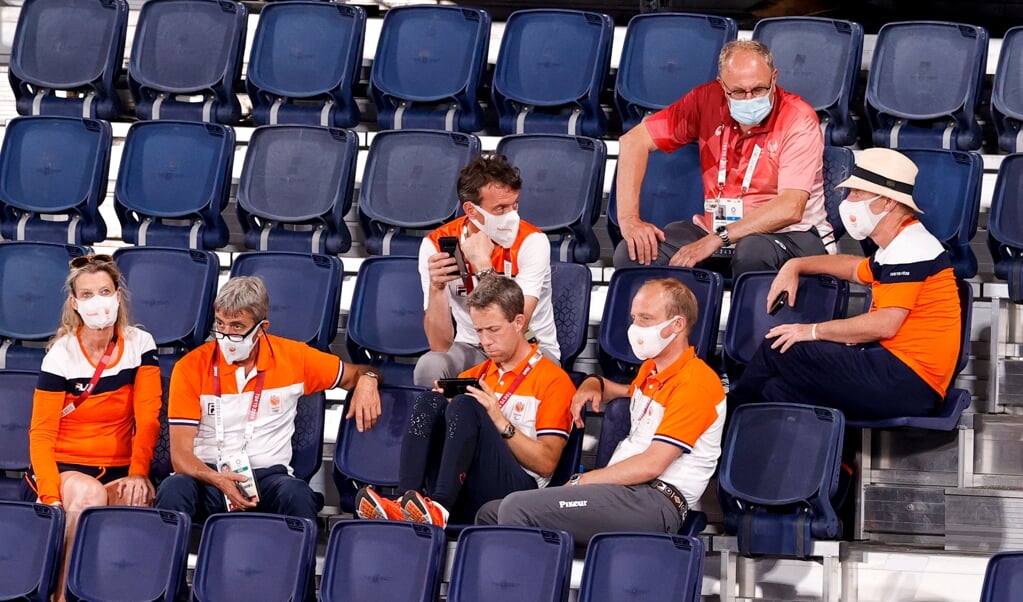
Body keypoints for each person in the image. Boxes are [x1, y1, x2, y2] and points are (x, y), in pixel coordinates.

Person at [476, 278, 726, 544]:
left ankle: (526, 583)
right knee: (489, 513)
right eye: (633, 318)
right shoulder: (653, 372)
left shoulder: (696, 383)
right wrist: (593, 383)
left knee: (517, 508)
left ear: (676, 325)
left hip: (654, 500)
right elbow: (626, 392)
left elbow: (653, 464)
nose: (635, 328)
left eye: (645, 319)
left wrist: (583, 481)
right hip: (623, 493)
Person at [727, 148, 961, 420]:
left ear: (886, 202)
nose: (848, 201)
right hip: (894, 373)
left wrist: (812, 331)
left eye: (857, 194)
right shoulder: (895, 246)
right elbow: (853, 268)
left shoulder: (912, 246)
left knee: (779, 345)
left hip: (908, 380)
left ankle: (716, 427)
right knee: (775, 390)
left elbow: (884, 324)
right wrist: (796, 265)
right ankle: (836, 462)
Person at [156, 276, 383, 524]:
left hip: (268, 479)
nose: (226, 336)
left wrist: (369, 379)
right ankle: (169, 562)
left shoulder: (295, 357)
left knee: (298, 494)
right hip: (208, 477)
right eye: (220, 325)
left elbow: (359, 372)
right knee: (173, 488)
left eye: (237, 326)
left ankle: (300, 564)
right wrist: (218, 479)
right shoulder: (190, 366)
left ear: (262, 328)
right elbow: (180, 456)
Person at [356, 276, 574, 527]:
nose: (485, 341)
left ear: (518, 323)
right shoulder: (473, 375)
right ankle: (407, 499)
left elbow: (546, 465)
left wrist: (498, 420)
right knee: (429, 401)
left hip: (518, 493)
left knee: (466, 405)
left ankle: (439, 505)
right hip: (466, 484)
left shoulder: (553, 380)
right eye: (479, 331)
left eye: (493, 329)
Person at [613, 39, 830, 277]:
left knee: (752, 251)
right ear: (722, 85)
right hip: (715, 232)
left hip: (789, 234)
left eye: (759, 89)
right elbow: (634, 141)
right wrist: (629, 220)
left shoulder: (798, 119)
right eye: (738, 91)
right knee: (634, 252)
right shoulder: (705, 100)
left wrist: (720, 238)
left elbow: (790, 207)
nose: (749, 99)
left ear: (774, 78)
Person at [28, 253, 162, 601]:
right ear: (74, 303)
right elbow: (41, 433)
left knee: (137, 500)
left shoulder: (140, 344)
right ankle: (60, 596)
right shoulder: (61, 354)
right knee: (88, 496)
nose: (97, 301)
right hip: (69, 468)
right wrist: (50, 496)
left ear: (118, 295)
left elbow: (147, 417)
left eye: (104, 291)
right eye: (87, 295)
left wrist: (137, 473)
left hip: (119, 467)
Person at [415, 153, 559, 388]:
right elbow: (440, 345)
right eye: (500, 208)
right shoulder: (435, 245)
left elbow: (515, 324)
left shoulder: (533, 241)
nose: (512, 216)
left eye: (515, 205)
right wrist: (436, 288)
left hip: (529, 347)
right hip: (472, 348)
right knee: (429, 367)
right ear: (471, 211)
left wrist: (483, 265)